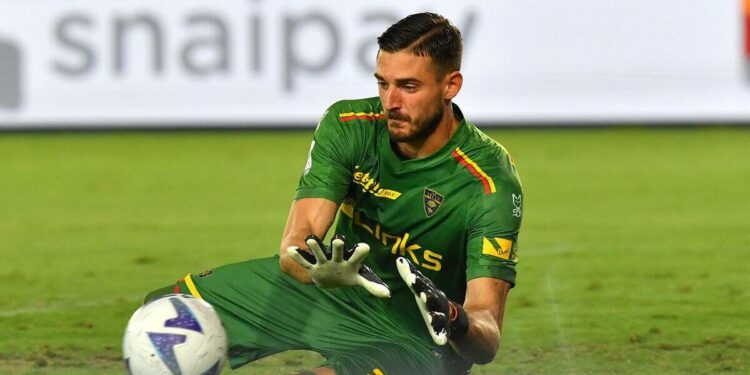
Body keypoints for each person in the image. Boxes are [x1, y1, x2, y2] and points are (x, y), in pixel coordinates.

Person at [144, 12, 523, 375]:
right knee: (161, 318)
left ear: (450, 86)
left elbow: (486, 336)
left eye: (409, 87)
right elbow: (295, 242)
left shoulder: (488, 185)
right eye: (382, 83)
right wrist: (316, 268)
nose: (391, 102)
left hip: (412, 339)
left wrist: (455, 320)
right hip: (329, 294)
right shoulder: (349, 127)